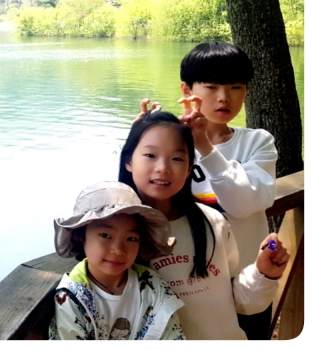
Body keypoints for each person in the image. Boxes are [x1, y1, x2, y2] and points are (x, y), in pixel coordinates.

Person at [118, 112, 288, 340]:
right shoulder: (115, 232)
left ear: (190, 168)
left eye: (177, 158)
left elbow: (236, 300)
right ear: (128, 161)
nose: (163, 168)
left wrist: (263, 274)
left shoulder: (212, 222)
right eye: (150, 155)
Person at [178, 42, 278, 339]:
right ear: (187, 90)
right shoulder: (170, 143)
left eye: (236, 87)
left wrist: (206, 149)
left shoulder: (257, 142)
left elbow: (243, 204)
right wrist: (137, 144)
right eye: (211, 87)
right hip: (190, 284)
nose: (225, 98)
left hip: (249, 279)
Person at [50, 181, 185, 340]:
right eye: (105, 235)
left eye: (131, 238)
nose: (119, 250)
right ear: (80, 235)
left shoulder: (151, 285)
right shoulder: (72, 297)